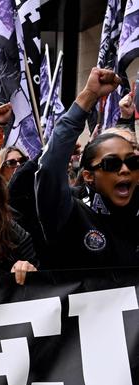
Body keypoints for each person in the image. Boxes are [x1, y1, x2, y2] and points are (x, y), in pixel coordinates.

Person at [35, 67, 139, 268]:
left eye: (133, 162)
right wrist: (89, 96)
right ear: (89, 176)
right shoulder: (71, 215)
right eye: (112, 164)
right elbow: (49, 168)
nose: (125, 169)